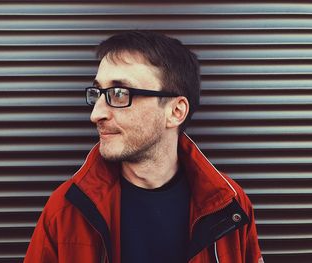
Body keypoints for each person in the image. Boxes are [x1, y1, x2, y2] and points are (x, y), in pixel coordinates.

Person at [24, 30, 263, 263]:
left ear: (175, 111)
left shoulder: (230, 206)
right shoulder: (66, 212)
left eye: (119, 93)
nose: (96, 114)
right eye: (98, 93)